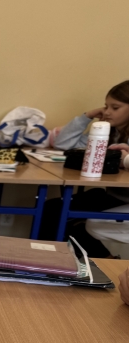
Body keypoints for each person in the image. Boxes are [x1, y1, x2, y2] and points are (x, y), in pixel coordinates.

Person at [39, 81, 129, 257]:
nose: (107, 112)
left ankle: (103, 261)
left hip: (125, 200)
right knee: (52, 208)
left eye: (115, 107)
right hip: (113, 195)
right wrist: (87, 116)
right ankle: (47, 260)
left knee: (62, 215)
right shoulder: (109, 131)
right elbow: (63, 144)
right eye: (106, 106)